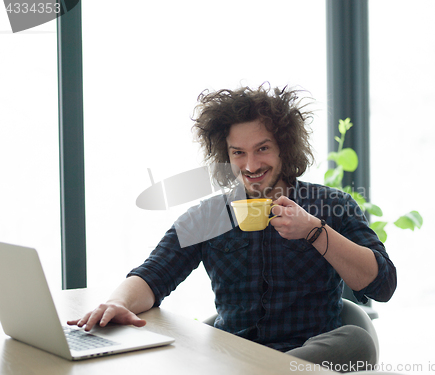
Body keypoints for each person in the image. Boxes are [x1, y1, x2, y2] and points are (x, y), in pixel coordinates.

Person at [69, 84, 396, 372]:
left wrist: (314, 231)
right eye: (238, 153)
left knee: (356, 339)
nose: (251, 166)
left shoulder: (328, 205)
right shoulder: (208, 216)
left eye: (263, 149)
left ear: (285, 146)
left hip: (308, 362)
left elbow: (382, 284)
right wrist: (118, 303)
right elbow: (152, 275)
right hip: (233, 358)